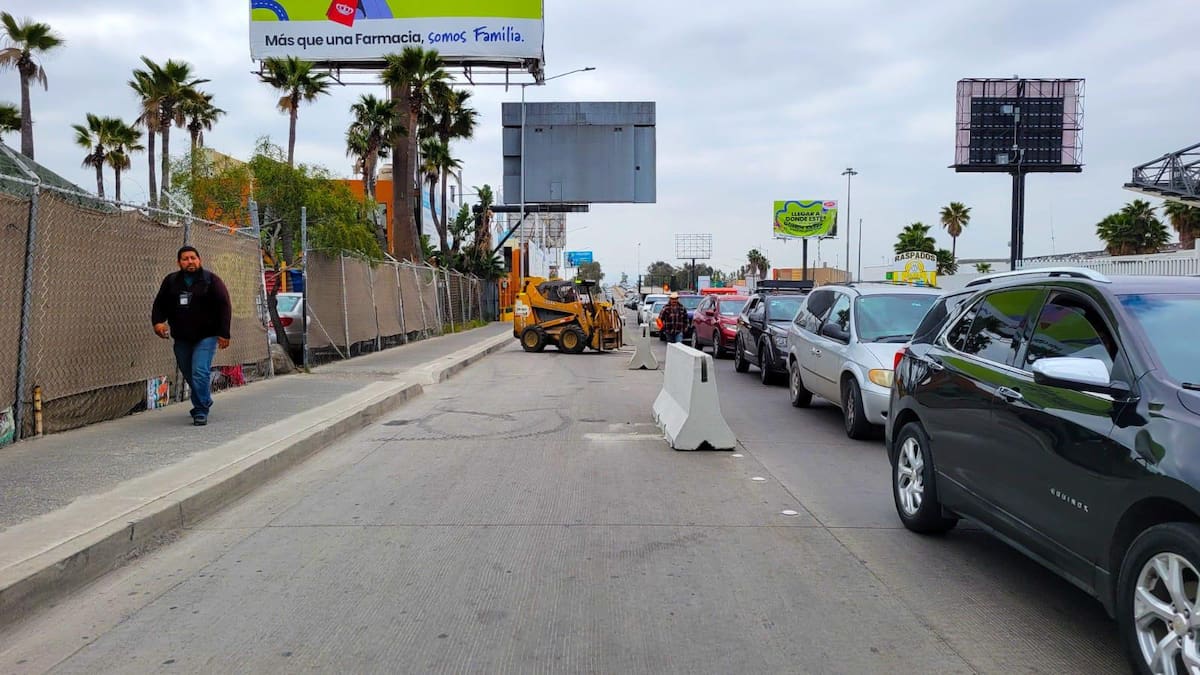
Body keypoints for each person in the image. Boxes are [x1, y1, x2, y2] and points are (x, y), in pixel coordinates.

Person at [151, 246, 232, 426]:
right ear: (179, 262)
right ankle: (204, 399)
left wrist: (224, 333)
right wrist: (158, 322)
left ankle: (201, 410)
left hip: (206, 336)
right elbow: (159, 304)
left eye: (193, 258)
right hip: (182, 337)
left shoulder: (211, 280)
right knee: (189, 373)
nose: (190, 262)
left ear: (199, 260)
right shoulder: (171, 281)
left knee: (200, 371)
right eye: (185, 259)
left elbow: (224, 306)